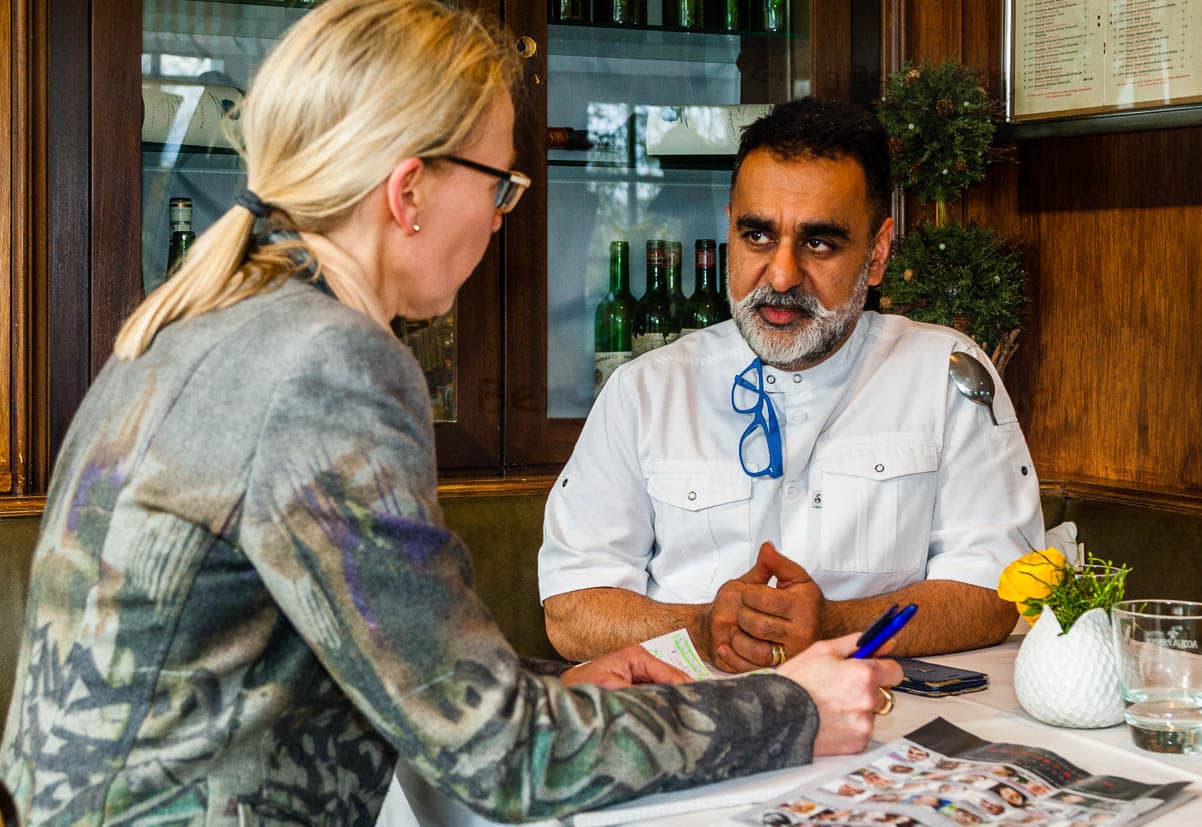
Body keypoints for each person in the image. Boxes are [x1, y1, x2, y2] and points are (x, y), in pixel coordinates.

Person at [0, 2, 904, 824]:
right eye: (500, 184)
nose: (503, 216)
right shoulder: (328, 365)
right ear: (409, 192)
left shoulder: (226, 317)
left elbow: (385, 667)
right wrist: (790, 708)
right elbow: (500, 757)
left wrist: (547, 689)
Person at [538, 96, 1044, 672]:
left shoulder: (943, 373)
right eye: (757, 236)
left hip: (880, 707)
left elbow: (992, 590)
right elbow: (573, 607)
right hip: (693, 709)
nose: (781, 275)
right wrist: (704, 629)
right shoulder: (646, 389)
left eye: (819, 243)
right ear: (730, 228)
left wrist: (834, 626)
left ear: (877, 254)